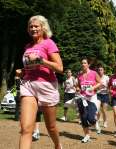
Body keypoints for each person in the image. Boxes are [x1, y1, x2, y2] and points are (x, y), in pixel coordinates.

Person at [18, 15, 63, 149]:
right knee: (26, 128)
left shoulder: (49, 43)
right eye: (31, 26)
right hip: (28, 85)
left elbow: (60, 68)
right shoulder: (27, 47)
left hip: (47, 86)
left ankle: (57, 144)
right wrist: (23, 72)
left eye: (36, 26)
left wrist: (41, 60)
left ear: (43, 28)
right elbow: (29, 67)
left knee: (51, 126)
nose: (33, 29)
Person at [76, 57, 101, 143]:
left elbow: (100, 82)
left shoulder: (94, 73)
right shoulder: (79, 75)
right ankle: (87, 135)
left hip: (92, 97)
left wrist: (92, 88)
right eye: (82, 63)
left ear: (88, 64)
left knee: (90, 118)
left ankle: (95, 122)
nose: (83, 64)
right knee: (83, 117)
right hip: (82, 98)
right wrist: (78, 89)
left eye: (84, 63)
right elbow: (78, 85)